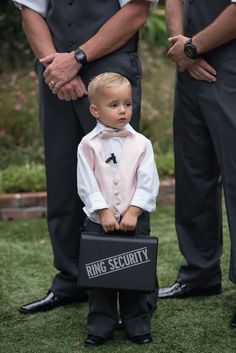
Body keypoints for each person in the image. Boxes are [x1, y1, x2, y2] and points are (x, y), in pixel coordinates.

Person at [14, 0, 159, 314]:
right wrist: (56, 67)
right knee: (62, 174)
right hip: (55, 73)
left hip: (111, 73)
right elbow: (30, 10)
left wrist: (78, 58)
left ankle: (133, 291)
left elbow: (137, 10)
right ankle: (71, 280)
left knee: (120, 178)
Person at [158, 0, 236, 327]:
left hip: (230, 61)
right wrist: (182, 49)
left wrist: (193, 47)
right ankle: (200, 272)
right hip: (189, 62)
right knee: (193, 172)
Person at [77, 72, 159, 346]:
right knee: (101, 276)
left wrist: (134, 211)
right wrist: (103, 212)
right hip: (99, 222)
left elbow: (148, 181)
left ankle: (137, 324)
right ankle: (101, 325)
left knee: (135, 273)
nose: (123, 110)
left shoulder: (142, 144)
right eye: (114, 105)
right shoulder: (87, 145)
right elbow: (86, 182)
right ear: (95, 110)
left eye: (128, 103)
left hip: (134, 220)